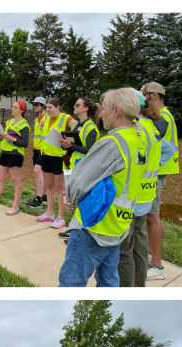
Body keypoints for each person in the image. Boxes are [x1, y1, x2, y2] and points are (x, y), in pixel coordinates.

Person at [58, 88, 143, 287]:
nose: (100, 114)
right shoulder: (138, 140)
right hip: (118, 225)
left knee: (71, 284)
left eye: (103, 109)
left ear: (117, 110)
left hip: (93, 225)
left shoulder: (113, 142)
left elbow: (79, 180)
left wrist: (71, 201)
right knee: (108, 284)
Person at [118, 97, 174, 287]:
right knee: (140, 244)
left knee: (125, 248)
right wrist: (153, 167)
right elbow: (169, 150)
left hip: (131, 195)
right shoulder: (152, 127)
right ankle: (139, 285)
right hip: (146, 194)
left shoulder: (136, 128)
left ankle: (126, 287)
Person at [140, 82, 178, 280]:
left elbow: (161, 146)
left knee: (153, 216)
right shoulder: (164, 114)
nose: (141, 97)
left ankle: (157, 266)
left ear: (154, 95)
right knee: (149, 215)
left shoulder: (163, 116)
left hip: (157, 171)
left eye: (143, 94)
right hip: (156, 170)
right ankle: (148, 253)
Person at [57, 97, 102, 242]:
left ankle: (79, 232)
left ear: (85, 109)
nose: (74, 106)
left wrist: (71, 146)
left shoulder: (91, 128)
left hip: (82, 168)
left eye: (77, 105)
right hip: (71, 166)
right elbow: (74, 144)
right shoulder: (77, 126)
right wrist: (64, 144)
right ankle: (74, 227)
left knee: (79, 200)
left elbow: (89, 150)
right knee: (71, 199)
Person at [0, 99, 31, 214]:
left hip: (15, 154)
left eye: (15, 107)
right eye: (12, 107)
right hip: (5, 152)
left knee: (16, 180)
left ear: (22, 111)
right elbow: (6, 136)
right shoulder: (9, 122)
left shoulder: (24, 125)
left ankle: (15, 206)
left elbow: (25, 143)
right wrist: (2, 137)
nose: (12, 109)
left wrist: (12, 139)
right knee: (0, 179)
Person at [34, 98, 78, 229]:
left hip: (59, 157)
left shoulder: (66, 118)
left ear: (58, 107)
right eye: (46, 107)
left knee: (60, 188)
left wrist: (68, 140)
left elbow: (78, 128)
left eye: (50, 107)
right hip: (46, 154)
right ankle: (49, 213)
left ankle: (60, 217)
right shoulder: (46, 118)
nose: (47, 110)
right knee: (49, 186)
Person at [27, 97, 49, 208]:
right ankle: (45, 196)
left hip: (44, 149)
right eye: (34, 104)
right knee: (42, 173)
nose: (34, 106)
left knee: (38, 171)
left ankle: (38, 199)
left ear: (43, 106)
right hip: (36, 149)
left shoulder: (48, 118)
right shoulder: (36, 120)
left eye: (37, 104)